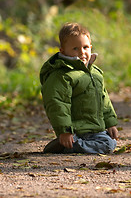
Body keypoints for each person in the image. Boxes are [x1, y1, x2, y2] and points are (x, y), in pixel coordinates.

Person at [39, 22, 118, 154]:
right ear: (62, 51)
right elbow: (57, 104)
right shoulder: (62, 75)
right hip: (75, 130)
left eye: (85, 47)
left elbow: (104, 100)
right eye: (75, 48)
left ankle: (69, 145)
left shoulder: (95, 73)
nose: (82, 52)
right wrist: (64, 131)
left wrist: (110, 123)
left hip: (95, 130)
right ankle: (69, 144)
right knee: (108, 145)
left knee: (111, 141)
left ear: (91, 47)